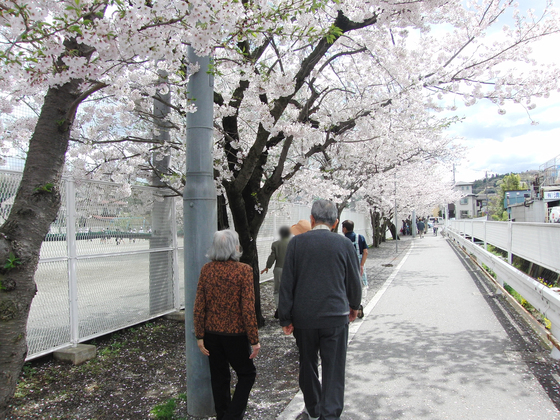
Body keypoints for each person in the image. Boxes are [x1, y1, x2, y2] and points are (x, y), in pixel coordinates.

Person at [279, 199, 362, 420]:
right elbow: (353, 280)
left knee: (307, 364)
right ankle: (330, 414)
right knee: (334, 368)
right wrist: (354, 306)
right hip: (335, 316)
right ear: (335, 223)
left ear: (312, 219)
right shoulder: (344, 244)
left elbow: (287, 283)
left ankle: (313, 408)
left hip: (304, 318)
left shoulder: (297, 243)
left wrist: (285, 317)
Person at [194, 229, 260, 420]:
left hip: (211, 335)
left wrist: (199, 336)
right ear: (234, 247)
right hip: (236, 335)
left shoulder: (207, 270)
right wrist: (254, 340)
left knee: (220, 377)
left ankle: (223, 415)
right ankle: (232, 416)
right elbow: (248, 308)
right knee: (247, 374)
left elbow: (199, 305)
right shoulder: (244, 271)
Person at [261, 225, 291, 318]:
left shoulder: (275, 244)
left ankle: (279, 308)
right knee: (289, 290)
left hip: (278, 269)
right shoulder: (293, 243)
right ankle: (289, 309)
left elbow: (272, 257)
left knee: (277, 291)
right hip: (290, 269)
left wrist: (267, 267)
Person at [342, 220, 368, 317]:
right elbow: (365, 252)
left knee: (348, 286)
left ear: (344, 228)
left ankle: (349, 306)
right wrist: (361, 265)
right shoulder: (360, 237)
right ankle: (360, 304)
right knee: (363, 285)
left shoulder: (342, 240)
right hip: (359, 265)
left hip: (346, 266)